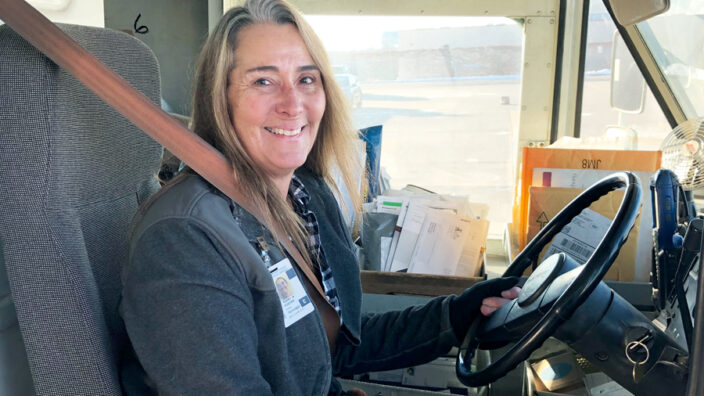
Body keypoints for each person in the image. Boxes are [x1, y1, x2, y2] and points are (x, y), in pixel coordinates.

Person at [119, 0, 520, 394]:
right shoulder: (184, 238)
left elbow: (333, 346)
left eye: (306, 79)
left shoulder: (306, 196)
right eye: (263, 80)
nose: (293, 104)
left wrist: (456, 315)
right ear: (219, 98)